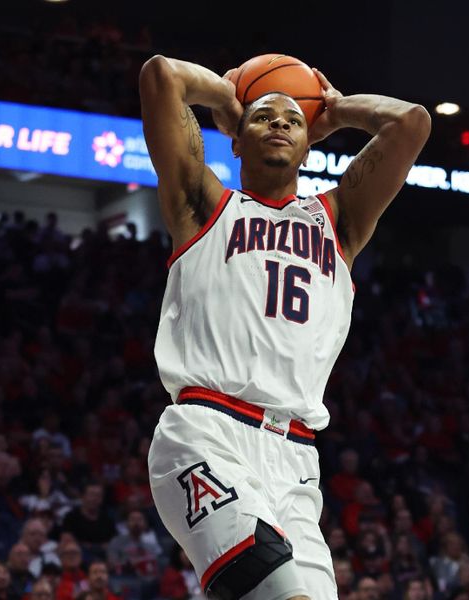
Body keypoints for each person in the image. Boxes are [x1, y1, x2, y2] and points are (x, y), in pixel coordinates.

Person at [139, 49, 430, 600]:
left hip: (296, 458)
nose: (279, 123)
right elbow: (163, 75)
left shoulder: (339, 221)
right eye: (264, 117)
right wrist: (228, 99)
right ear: (236, 138)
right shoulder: (204, 206)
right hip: (206, 432)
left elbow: (411, 122)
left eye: (293, 120)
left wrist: (338, 110)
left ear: (307, 141)